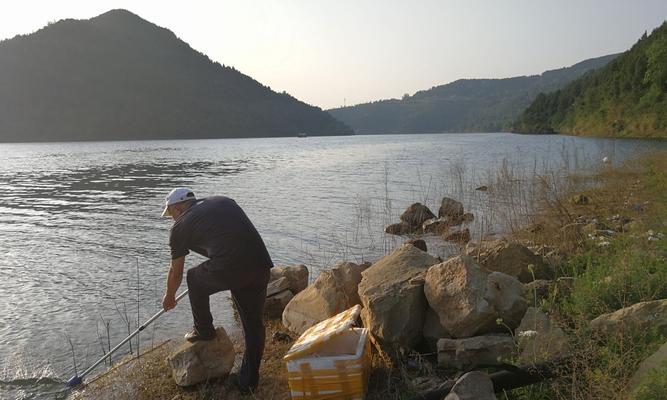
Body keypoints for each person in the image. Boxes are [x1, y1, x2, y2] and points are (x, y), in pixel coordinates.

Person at [160, 187, 273, 393]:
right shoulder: (222, 200)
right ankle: (248, 382)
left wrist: (169, 296)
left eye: (170, 214)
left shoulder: (180, 226)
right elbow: (230, 236)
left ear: (178, 208)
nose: (171, 219)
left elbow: (176, 272)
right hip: (260, 264)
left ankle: (204, 330)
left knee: (194, 277)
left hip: (233, 267)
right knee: (253, 326)